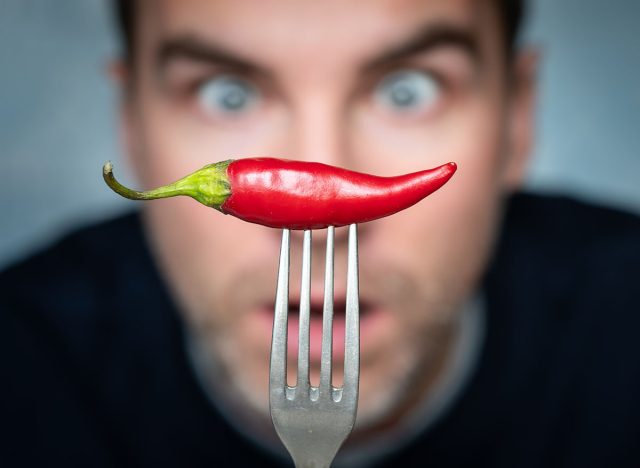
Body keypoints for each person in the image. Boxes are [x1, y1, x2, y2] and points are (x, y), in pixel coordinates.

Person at [1, 0, 639, 466]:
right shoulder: (22, 368)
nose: (320, 216)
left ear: (518, 118)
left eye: (406, 90)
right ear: (131, 125)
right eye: (227, 94)